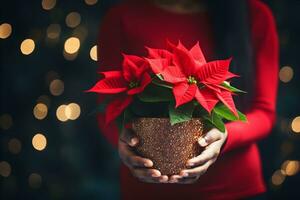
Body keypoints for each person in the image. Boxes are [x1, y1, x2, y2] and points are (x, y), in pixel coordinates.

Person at [96, 0, 278, 199]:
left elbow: (264, 112)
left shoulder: (253, 13)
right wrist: (124, 144)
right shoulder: (121, 17)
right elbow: (108, 108)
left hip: (232, 188)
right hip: (149, 187)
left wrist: (224, 136)